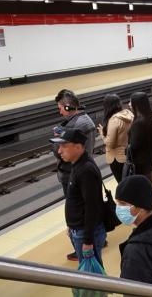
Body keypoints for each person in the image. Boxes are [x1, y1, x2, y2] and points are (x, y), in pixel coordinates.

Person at [50, 129, 106, 266]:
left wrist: (88, 241)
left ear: (78, 147)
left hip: (84, 233)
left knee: (93, 275)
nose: (59, 151)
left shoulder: (85, 170)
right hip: (79, 229)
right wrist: (71, 225)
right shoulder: (77, 164)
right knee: (90, 272)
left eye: (64, 146)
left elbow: (92, 207)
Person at [52, 89, 96, 261]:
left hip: (71, 174)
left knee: (77, 208)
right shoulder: (86, 119)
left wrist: (57, 138)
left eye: (61, 107)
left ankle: (83, 245)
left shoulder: (73, 127)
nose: (60, 111)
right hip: (82, 169)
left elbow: (58, 152)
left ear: (69, 107)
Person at [128, 92, 152, 197]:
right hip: (150, 157)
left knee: (145, 187)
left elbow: (134, 145)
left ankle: (149, 208)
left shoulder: (139, 122)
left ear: (137, 105)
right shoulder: (150, 117)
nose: (129, 104)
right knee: (148, 184)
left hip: (141, 161)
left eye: (131, 102)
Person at [97, 94, 133, 183]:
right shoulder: (128, 114)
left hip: (116, 158)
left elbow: (110, 143)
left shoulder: (114, 120)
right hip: (128, 154)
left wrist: (102, 133)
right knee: (130, 182)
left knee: (122, 184)